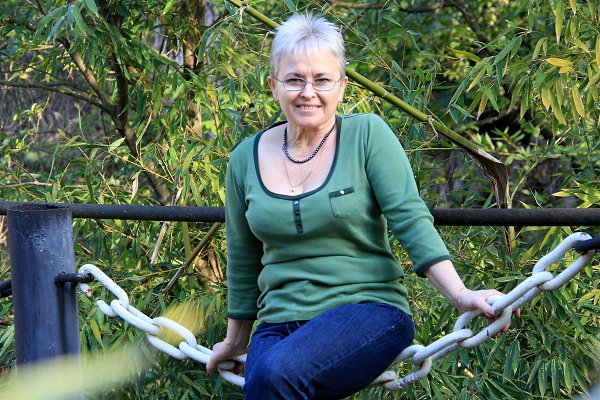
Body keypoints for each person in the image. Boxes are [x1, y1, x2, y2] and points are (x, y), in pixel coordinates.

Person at [207, 12, 517, 399]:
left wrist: (460, 294)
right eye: (294, 80)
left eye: (322, 80)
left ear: (342, 86)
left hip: (367, 311)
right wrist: (236, 341)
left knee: (273, 375)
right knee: (268, 377)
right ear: (273, 85)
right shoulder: (243, 159)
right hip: (278, 324)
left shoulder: (367, 135)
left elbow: (410, 219)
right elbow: (242, 256)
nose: (308, 92)